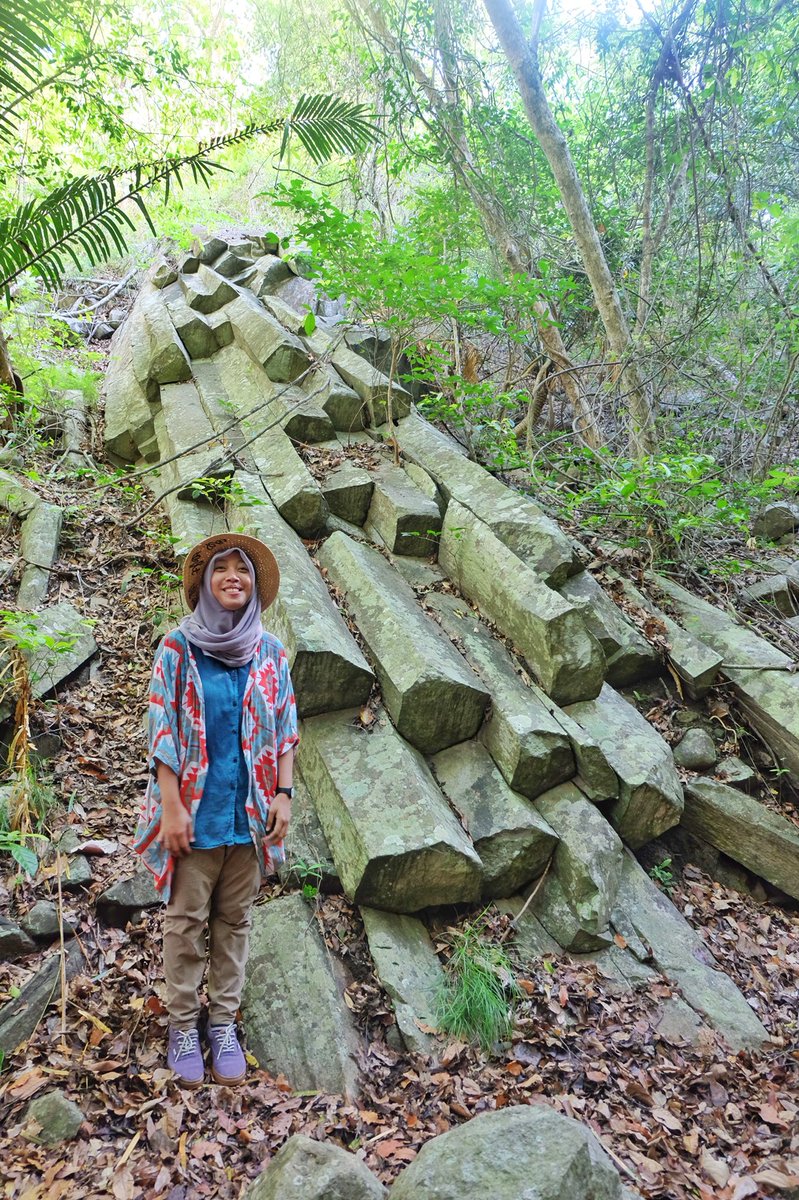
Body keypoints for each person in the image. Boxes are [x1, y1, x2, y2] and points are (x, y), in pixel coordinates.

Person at [133, 533, 298, 1088]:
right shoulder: (178, 647)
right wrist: (172, 805)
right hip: (194, 816)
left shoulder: (270, 651)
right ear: (205, 582)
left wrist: (284, 793)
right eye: (222, 569)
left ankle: (222, 1023)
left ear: (254, 584)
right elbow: (162, 729)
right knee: (185, 925)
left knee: (235, 922)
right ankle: (183, 1025)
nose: (233, 576)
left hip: (250, 817)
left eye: (243, 570)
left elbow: (286, 730)